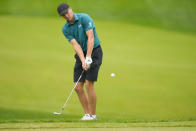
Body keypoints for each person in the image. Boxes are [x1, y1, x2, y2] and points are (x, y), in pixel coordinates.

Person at [57, 3, 103, 120]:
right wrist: (83, 60)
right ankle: (87, 114)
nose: (66, 16)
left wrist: (88, 57)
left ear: (71, 9)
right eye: (63, 15)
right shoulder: (65, 29)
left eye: (67, 12)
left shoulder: (84, 18)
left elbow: (91, 38)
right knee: (77, 87)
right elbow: (75, 45)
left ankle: (93, 115)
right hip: (81, 54)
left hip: (94, 51)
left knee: (89, 84)